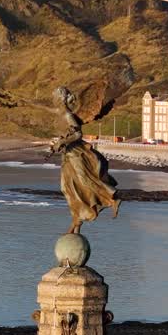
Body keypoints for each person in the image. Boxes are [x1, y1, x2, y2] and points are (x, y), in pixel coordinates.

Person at [47, 87, 120, 234]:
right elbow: (66, 135)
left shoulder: (68, 115)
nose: (53, 100)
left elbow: (78, 134)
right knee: (68, 190)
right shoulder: (61, 115)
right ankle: (76, 225)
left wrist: (63, 142)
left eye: (55, 97)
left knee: (84, 182)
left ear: (61, 99)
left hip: (77, 155)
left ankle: (112, 197)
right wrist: (57, 144)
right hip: (67, 156)